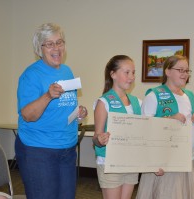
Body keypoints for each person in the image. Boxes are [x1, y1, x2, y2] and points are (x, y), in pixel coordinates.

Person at [16, 23, 88, 199]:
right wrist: (47, 96)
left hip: (67, 149)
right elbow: (27, 115)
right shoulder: (31, 75)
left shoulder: (66, 70)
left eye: (60, 42)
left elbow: (65, 106)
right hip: (39, 150)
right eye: (49, 44)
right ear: (39, 48)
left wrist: (78, 113)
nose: (56, 48)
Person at [136, 55, 194, 199]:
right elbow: (144, 129)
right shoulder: (154, 96)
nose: (184, 74)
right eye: (180, 70)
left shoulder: (191, 97)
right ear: (167, 72)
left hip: (187, 159)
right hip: (163, 163)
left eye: (187, 71)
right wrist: (170, 119)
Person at [92, 55, 141, 199]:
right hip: (110, 162)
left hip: (131, 161)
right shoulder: (104, 102)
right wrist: (100, 139)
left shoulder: (137, 102)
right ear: (113, 74)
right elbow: (96, 138)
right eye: (126, 72)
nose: (131, 77)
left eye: (133, 72)